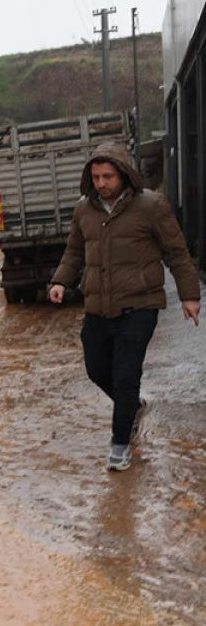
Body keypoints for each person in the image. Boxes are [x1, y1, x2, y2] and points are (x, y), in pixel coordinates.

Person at [49, 141, 200, 471]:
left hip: (140, 305)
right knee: (96, 369)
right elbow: (74, 252)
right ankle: (132, 406)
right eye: (96, 177)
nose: (101, 183)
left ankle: (120, 446)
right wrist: (60, 281)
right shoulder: (84, 210)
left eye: (108, 176)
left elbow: (176, 253)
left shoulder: (151, 206)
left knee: (125, 375)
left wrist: (190, 296)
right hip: (98, 307)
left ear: (124, 175)